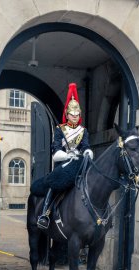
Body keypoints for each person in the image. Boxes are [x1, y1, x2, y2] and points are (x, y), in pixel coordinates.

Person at [37, 83, 93, 229]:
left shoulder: (83, 131)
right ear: (67, 114)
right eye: (72, 115)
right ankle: (45, 214)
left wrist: (87, 153)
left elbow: (85, 146)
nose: (74, 117)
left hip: (79, 163)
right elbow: (55, 150)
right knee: (56, 182)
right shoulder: (59, 130)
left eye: (77, 115)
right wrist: (67, 155)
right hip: (63, 163)